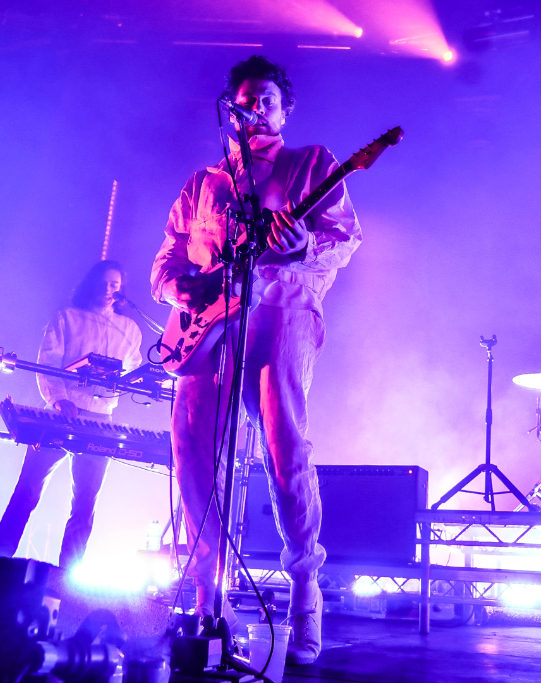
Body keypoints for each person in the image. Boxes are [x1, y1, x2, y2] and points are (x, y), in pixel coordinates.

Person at [151, 55, 361, 665]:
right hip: (208, 328)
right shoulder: (202, 184)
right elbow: (166, 259)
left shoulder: (311, 164)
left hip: (283, 312)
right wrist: (177, 290)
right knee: (191, 455)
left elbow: (342, 240)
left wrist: (302, 249)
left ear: (284, 109)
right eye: (245, 100)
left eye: (266, 99)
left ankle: (304, 593)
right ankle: (207, 597)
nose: (255, 109)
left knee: (283, 446)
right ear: (231, 108)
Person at [0, 260, 143, 567]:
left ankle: (69, 573)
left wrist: (123, 384)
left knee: (85, 501)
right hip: (60, 415)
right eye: (104, 283)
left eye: (115, 284)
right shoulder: (67, 317)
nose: (109, 289)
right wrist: (59, 400)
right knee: (28, 489)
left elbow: (132, 371)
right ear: (92, 283)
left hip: (100, 419)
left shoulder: (130, 329)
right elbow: (48, 361)